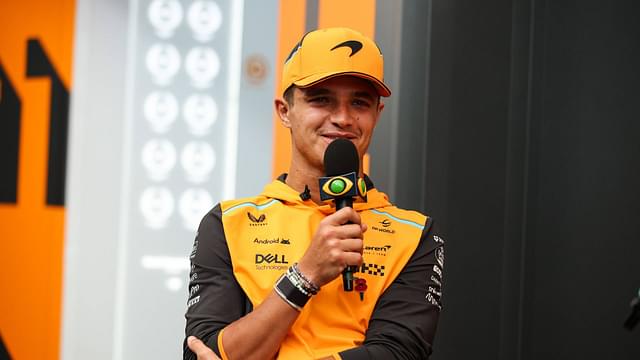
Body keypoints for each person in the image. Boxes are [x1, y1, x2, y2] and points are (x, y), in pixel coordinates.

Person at [184, 27, 444, 360]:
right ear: (284, 111)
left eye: (360, 102)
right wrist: (305, 275)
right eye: (321, 99)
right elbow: (200, 351)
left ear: (377, 115)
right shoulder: (227, 224)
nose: (342, 118)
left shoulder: (414, 235)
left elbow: (398, 353)